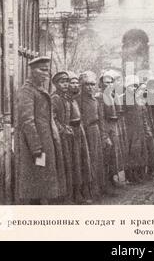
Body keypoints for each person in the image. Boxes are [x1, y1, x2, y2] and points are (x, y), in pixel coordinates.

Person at [15, 56, 66, 205]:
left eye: (47, 70)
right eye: (42, 70)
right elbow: (27, 121)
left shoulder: (40, 89)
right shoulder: (27, 91)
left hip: (46, 142)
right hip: (36, 146)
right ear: (32, 71)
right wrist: (36, 147)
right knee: (37, 180)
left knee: (42, 180)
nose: (46, 73)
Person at [51, 71, 82, 204]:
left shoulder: (66, 98)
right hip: (60, 137)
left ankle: (72, 194)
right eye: (62, 82)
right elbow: (52, 118)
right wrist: (63, 128)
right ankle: (63, 197)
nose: (65, 85)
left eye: (66, 82)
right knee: (63, 166)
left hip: (69, 135)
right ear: (56, 84)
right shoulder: (54, 98)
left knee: (72, 165)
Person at [79, 71, 107, 198]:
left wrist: (104, 135)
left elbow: (100, 118)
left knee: (98, 160)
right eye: (86, 84)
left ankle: (98, 188)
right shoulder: (78, 100)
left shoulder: (95, 100)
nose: (90, 87)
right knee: (87, 161)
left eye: (92, 84)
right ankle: (87, 190)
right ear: (81, 85)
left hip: (95, 131)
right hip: (85, 132)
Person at [67, 71, 94, 202]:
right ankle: (75, 193)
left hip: (80, 133)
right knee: (75, 164)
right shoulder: (65, 99)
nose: (75, 85)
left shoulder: (74, 99)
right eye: (72, 82)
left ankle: (84, 190)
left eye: (77, 82)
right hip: (70, 135)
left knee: (83, 162)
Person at [123, 75, 151, 184]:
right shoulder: (123, 98)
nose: (134, 89)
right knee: (131, 153)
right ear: (126, 86)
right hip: (129, 130)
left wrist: (145, 129)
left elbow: (142, 115)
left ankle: (139, 174)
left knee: (140, 152)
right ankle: (130, 176)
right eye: (131, 86)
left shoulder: (138, 99)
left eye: (135, 86)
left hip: (139, 129)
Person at [98, 73, 124, 190]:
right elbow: (101, 116)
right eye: (106, 82)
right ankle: (106, 182)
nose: (109, 85)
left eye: (111, 82)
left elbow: (118, 112)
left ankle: (113, 178)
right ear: (101, 84)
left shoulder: (113, 96)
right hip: (105, 128)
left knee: (114, 154)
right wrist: (104, 134)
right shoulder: (99, 97)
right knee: (106, 155)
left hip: (114, 127)